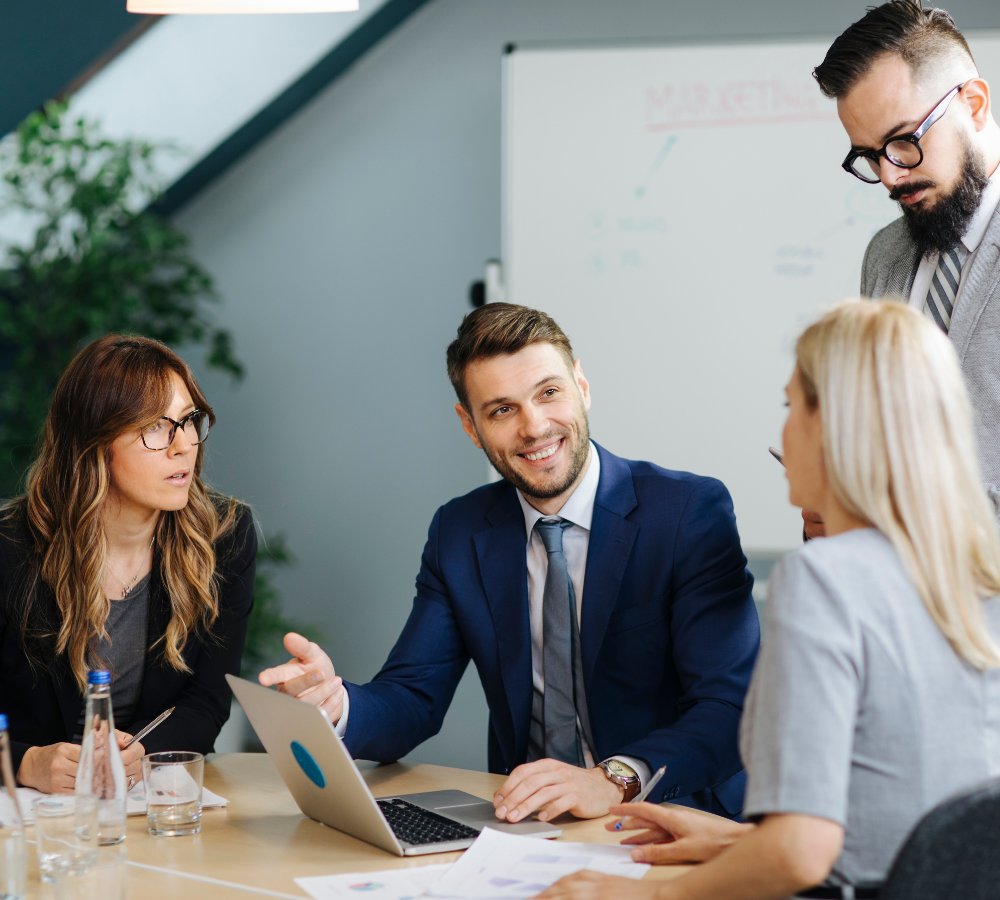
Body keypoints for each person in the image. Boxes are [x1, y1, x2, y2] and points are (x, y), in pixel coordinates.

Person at [537, 299, 1000, 900]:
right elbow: (922, 816)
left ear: (835, 426)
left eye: (791, 406)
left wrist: (640, 896)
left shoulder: (828, 579)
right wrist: (736, 842)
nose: (782, 434)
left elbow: (802, 856)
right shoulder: (975, 570)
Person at [260, 303, 760, 821]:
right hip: (527, 824)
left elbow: (729, 708)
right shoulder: (460, 531)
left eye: (549, 393)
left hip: (673, 816)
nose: (534, 426)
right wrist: (336, 706)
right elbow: (412, 697)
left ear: (581, 387)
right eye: (501, 410)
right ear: (470, 426)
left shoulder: (686, 513)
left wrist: (612, 779)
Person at [0, 334, 257, 793]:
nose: (184, 446)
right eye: (157, 427)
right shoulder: (10, 545)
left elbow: (207, 702)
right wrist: (26, 763)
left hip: (149, 805)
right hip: (30, 816)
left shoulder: (224, 536)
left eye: (189, 421)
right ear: (95, 441)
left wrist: (144, 753)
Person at [798, 1, 1000, 540]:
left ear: (974, 105)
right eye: (868, 155)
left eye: (904, 141)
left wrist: (903, 516)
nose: (889, 176)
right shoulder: (885, 254)